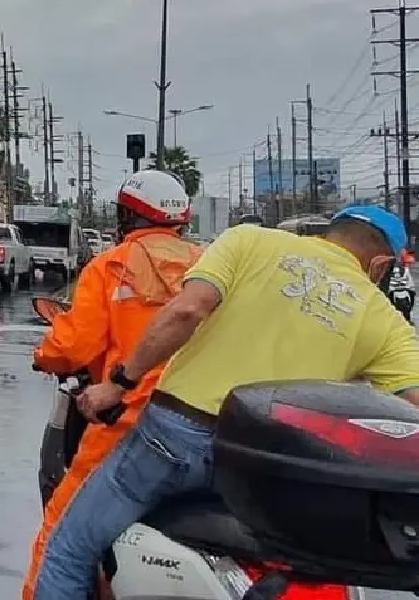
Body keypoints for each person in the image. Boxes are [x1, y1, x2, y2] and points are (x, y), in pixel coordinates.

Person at [28, 205, 419, 600]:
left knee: (70, 549)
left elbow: (186, 310)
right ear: (381, 263)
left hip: (176, 439)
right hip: (269, 470)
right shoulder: (383, 318)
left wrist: (118, 384)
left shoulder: (248, 241)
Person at [23, 170, 203, 600]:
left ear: (128, 216)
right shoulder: (207, 266)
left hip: (126, 423)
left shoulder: (112, 265)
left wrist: (44, 356)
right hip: (203, 426)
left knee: (61, 541)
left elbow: (73, 344)